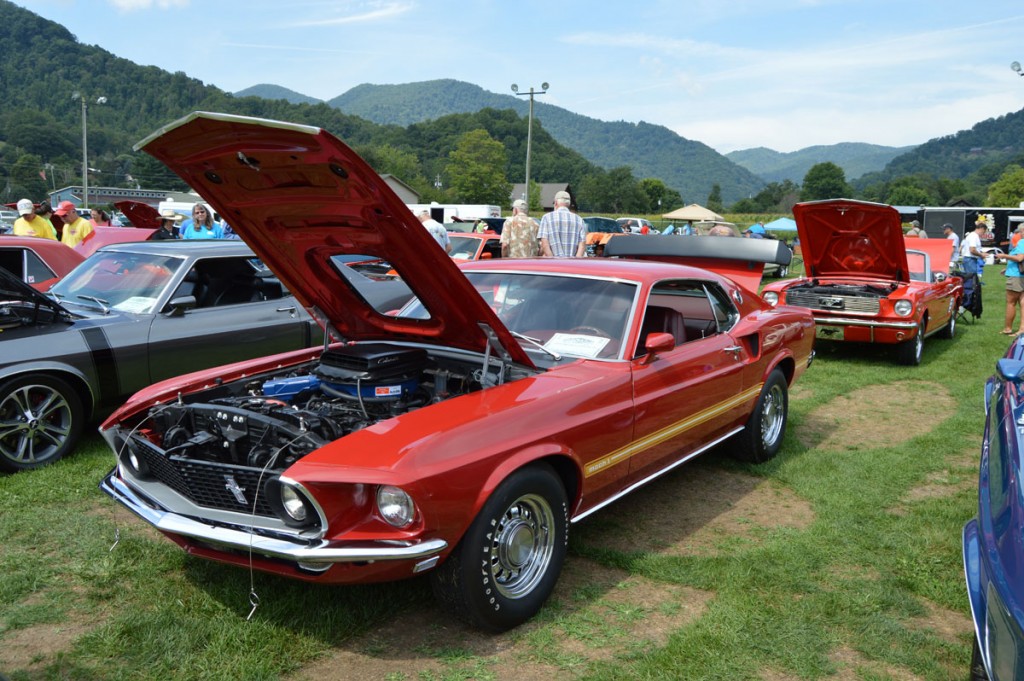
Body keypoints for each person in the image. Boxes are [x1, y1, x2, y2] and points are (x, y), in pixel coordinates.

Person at [539, 190, 586, 257]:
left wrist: (551, 259)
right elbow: (582, 244)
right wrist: (576, 260)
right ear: (568, 204)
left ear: (555, 203)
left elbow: (544, 242)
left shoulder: (546, 218)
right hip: (572, 263)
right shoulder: (579, 219)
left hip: (553, 263)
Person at [994, 238, 1024, 334]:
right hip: (1020, 274)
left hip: (1016, 276)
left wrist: (1004, 255)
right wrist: (1007, 269)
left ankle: (1008, 328)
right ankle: (1022, 329)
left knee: (1011, 302)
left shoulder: (1022, 242)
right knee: (1022, 303)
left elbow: (1020, 258)